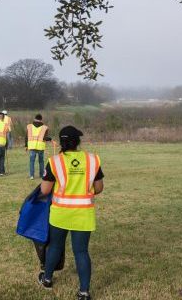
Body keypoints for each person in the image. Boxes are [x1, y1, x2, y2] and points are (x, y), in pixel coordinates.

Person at [37, 126, 104, 300]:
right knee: (81, 252)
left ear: (61, 142)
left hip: (60, 214)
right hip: (84, 215)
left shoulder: (55, 162)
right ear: (78, 142)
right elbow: (98, 188)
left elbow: (44, 190)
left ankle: (47, 279)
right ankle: (84, 292)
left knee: (55, 247)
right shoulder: (92, 160)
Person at [26, 114, 51, 180]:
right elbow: (45, 138)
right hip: (40, 146)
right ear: (41, 119)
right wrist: (50, 139)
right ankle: (41, 175)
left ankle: (31, 175)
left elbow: (26, 136)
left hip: (32, 146)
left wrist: (26, 145)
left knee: (32, 161)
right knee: (41, 161)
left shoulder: (29, 126)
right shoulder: (45, 127)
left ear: (35, 118)